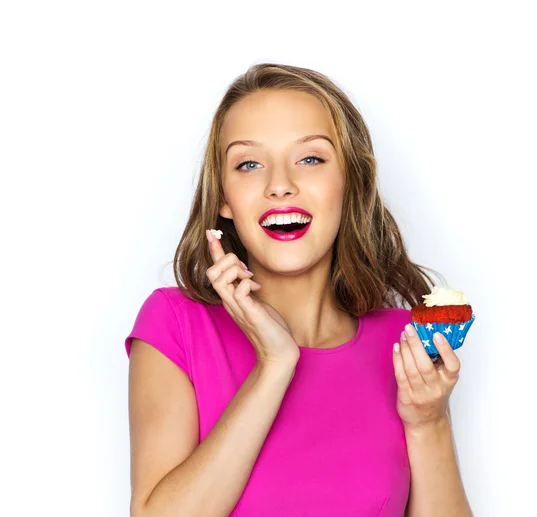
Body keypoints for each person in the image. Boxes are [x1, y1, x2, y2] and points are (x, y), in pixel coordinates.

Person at [124, 63, 473, 517]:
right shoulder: (175, 326)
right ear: (225, 198)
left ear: (350, 183)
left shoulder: (405, 343)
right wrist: (275, 364)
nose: (280, 186)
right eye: (249, 164)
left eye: (310, 158)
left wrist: (429, 421)